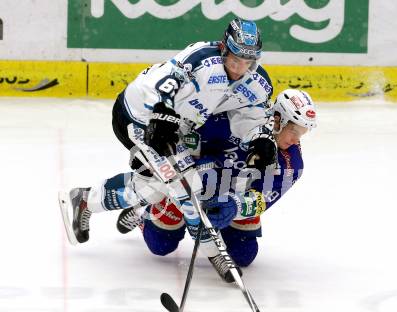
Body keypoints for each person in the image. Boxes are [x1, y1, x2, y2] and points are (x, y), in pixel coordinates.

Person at [61, 18, 277, 245]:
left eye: (246, 62)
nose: (239, 69)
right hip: (140, 116)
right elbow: (167, 82)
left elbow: (253, 116)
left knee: (155, 188)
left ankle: (89, 200)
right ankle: (210, 248)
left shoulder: (257, 83)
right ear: (224, 48)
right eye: (234, 60)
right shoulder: (202, 58)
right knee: (183, 184)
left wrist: (261, 138)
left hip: (175, 129)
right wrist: (162, 112)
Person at [116, 89, 317, 282]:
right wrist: (196, 177)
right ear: (277, 119)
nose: (295, 139)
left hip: (234, 194)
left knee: (243, 255)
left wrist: (234, 206)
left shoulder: (292, 163)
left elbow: (262, 198)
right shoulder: (235, 117)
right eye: (293, 130)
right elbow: (182, 143)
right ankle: (146, 211)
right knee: (160, 245)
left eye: (302, 132)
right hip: (195, 184)